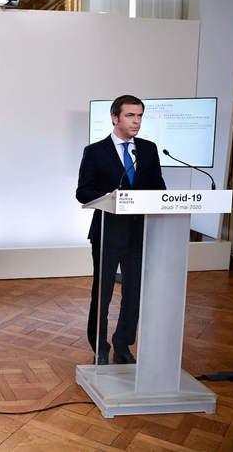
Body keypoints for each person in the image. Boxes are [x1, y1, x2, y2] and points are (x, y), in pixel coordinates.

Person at [75, 95, 166, 365]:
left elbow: (159, 189)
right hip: (107, 232)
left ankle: (123, 343)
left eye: (139, 116)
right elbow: (82, 192)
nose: (136, 121)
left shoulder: (148, 150)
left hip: (139, 232)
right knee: (102, 292)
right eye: (130, 116)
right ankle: (100, 346)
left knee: (133, 291)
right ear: (115, 118)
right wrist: (109, 195)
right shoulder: (95, 152)